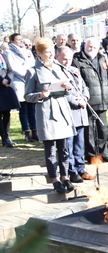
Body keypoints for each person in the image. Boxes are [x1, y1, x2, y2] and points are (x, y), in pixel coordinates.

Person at [24, 38, 76, 194]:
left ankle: (65, 176)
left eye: (52, 51)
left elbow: (68, 89)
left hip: (62, 110)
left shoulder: (59, 67)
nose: (51, 54)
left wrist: (68, 88)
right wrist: (40, 94)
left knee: (64, 148)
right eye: (47, 52)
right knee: (51, 148)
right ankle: (55, 179)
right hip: (46, 111)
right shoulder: (33, 71)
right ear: (39, 53)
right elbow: (27, 95)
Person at [55, 46, 94, 183]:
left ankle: (80, 168)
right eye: (64, 59)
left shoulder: (74, 70)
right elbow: (61, 91)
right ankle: (72, 171)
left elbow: (84, 86)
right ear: (57, 57)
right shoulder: (56, 72)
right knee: (69, 145)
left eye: (69, 59)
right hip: (69, 112)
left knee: (80, 144)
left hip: (81, 112)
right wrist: (76, 101)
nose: (67, 62)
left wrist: (85, 97)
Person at [72, 37, 108, 163]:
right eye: (89, 46)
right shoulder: (77, 60)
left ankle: (103, 152)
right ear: (84, 46)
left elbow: (106, 79)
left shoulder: (102, 58)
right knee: (89, 131)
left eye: (94, 47)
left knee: (103, 129)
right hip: (88, 101)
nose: (91, 49)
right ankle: (92, 154)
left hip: (102, 98)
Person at [6, 33, 38, 141]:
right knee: (23, 108)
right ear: (12, 41)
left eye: (21, 39)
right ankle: (27, 132)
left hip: (29, 80)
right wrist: (25, 73)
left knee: (32, 108)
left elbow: (32, 64)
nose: (21, 41)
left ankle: (35, 130)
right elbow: (13, 67)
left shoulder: (27, 51)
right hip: (19, 81)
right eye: (18, 39)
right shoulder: (8, 53)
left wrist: (30, 75)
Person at [0, 45, 20, 147]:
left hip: (6, 87)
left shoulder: (4, 56)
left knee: (7, 113)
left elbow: (10, 70)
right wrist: (1, 80)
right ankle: (3, 137)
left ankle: (7, 136)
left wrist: (7, 79)